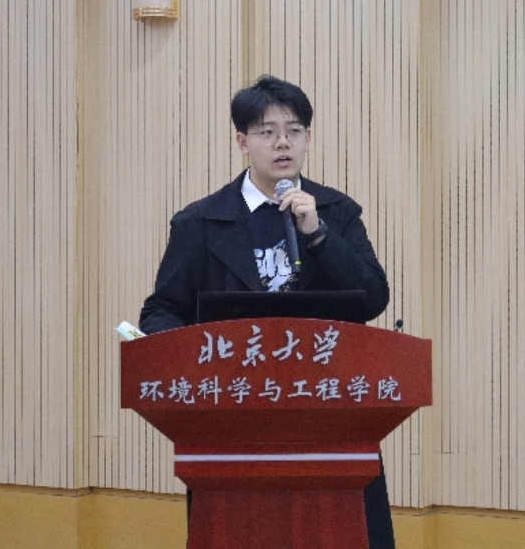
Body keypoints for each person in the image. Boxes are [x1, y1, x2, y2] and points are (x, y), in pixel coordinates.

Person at [139, 75, 395, 548]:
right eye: (267, 131)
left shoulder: (336, 212)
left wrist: (317, 233)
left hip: (326, 413)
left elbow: (372, 299)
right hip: (235, 416)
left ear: (308, 138)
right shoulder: (200, 222)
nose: (283, 142)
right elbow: (164, 308)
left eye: (294, 130)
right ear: (243, 142)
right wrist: (175, 354)